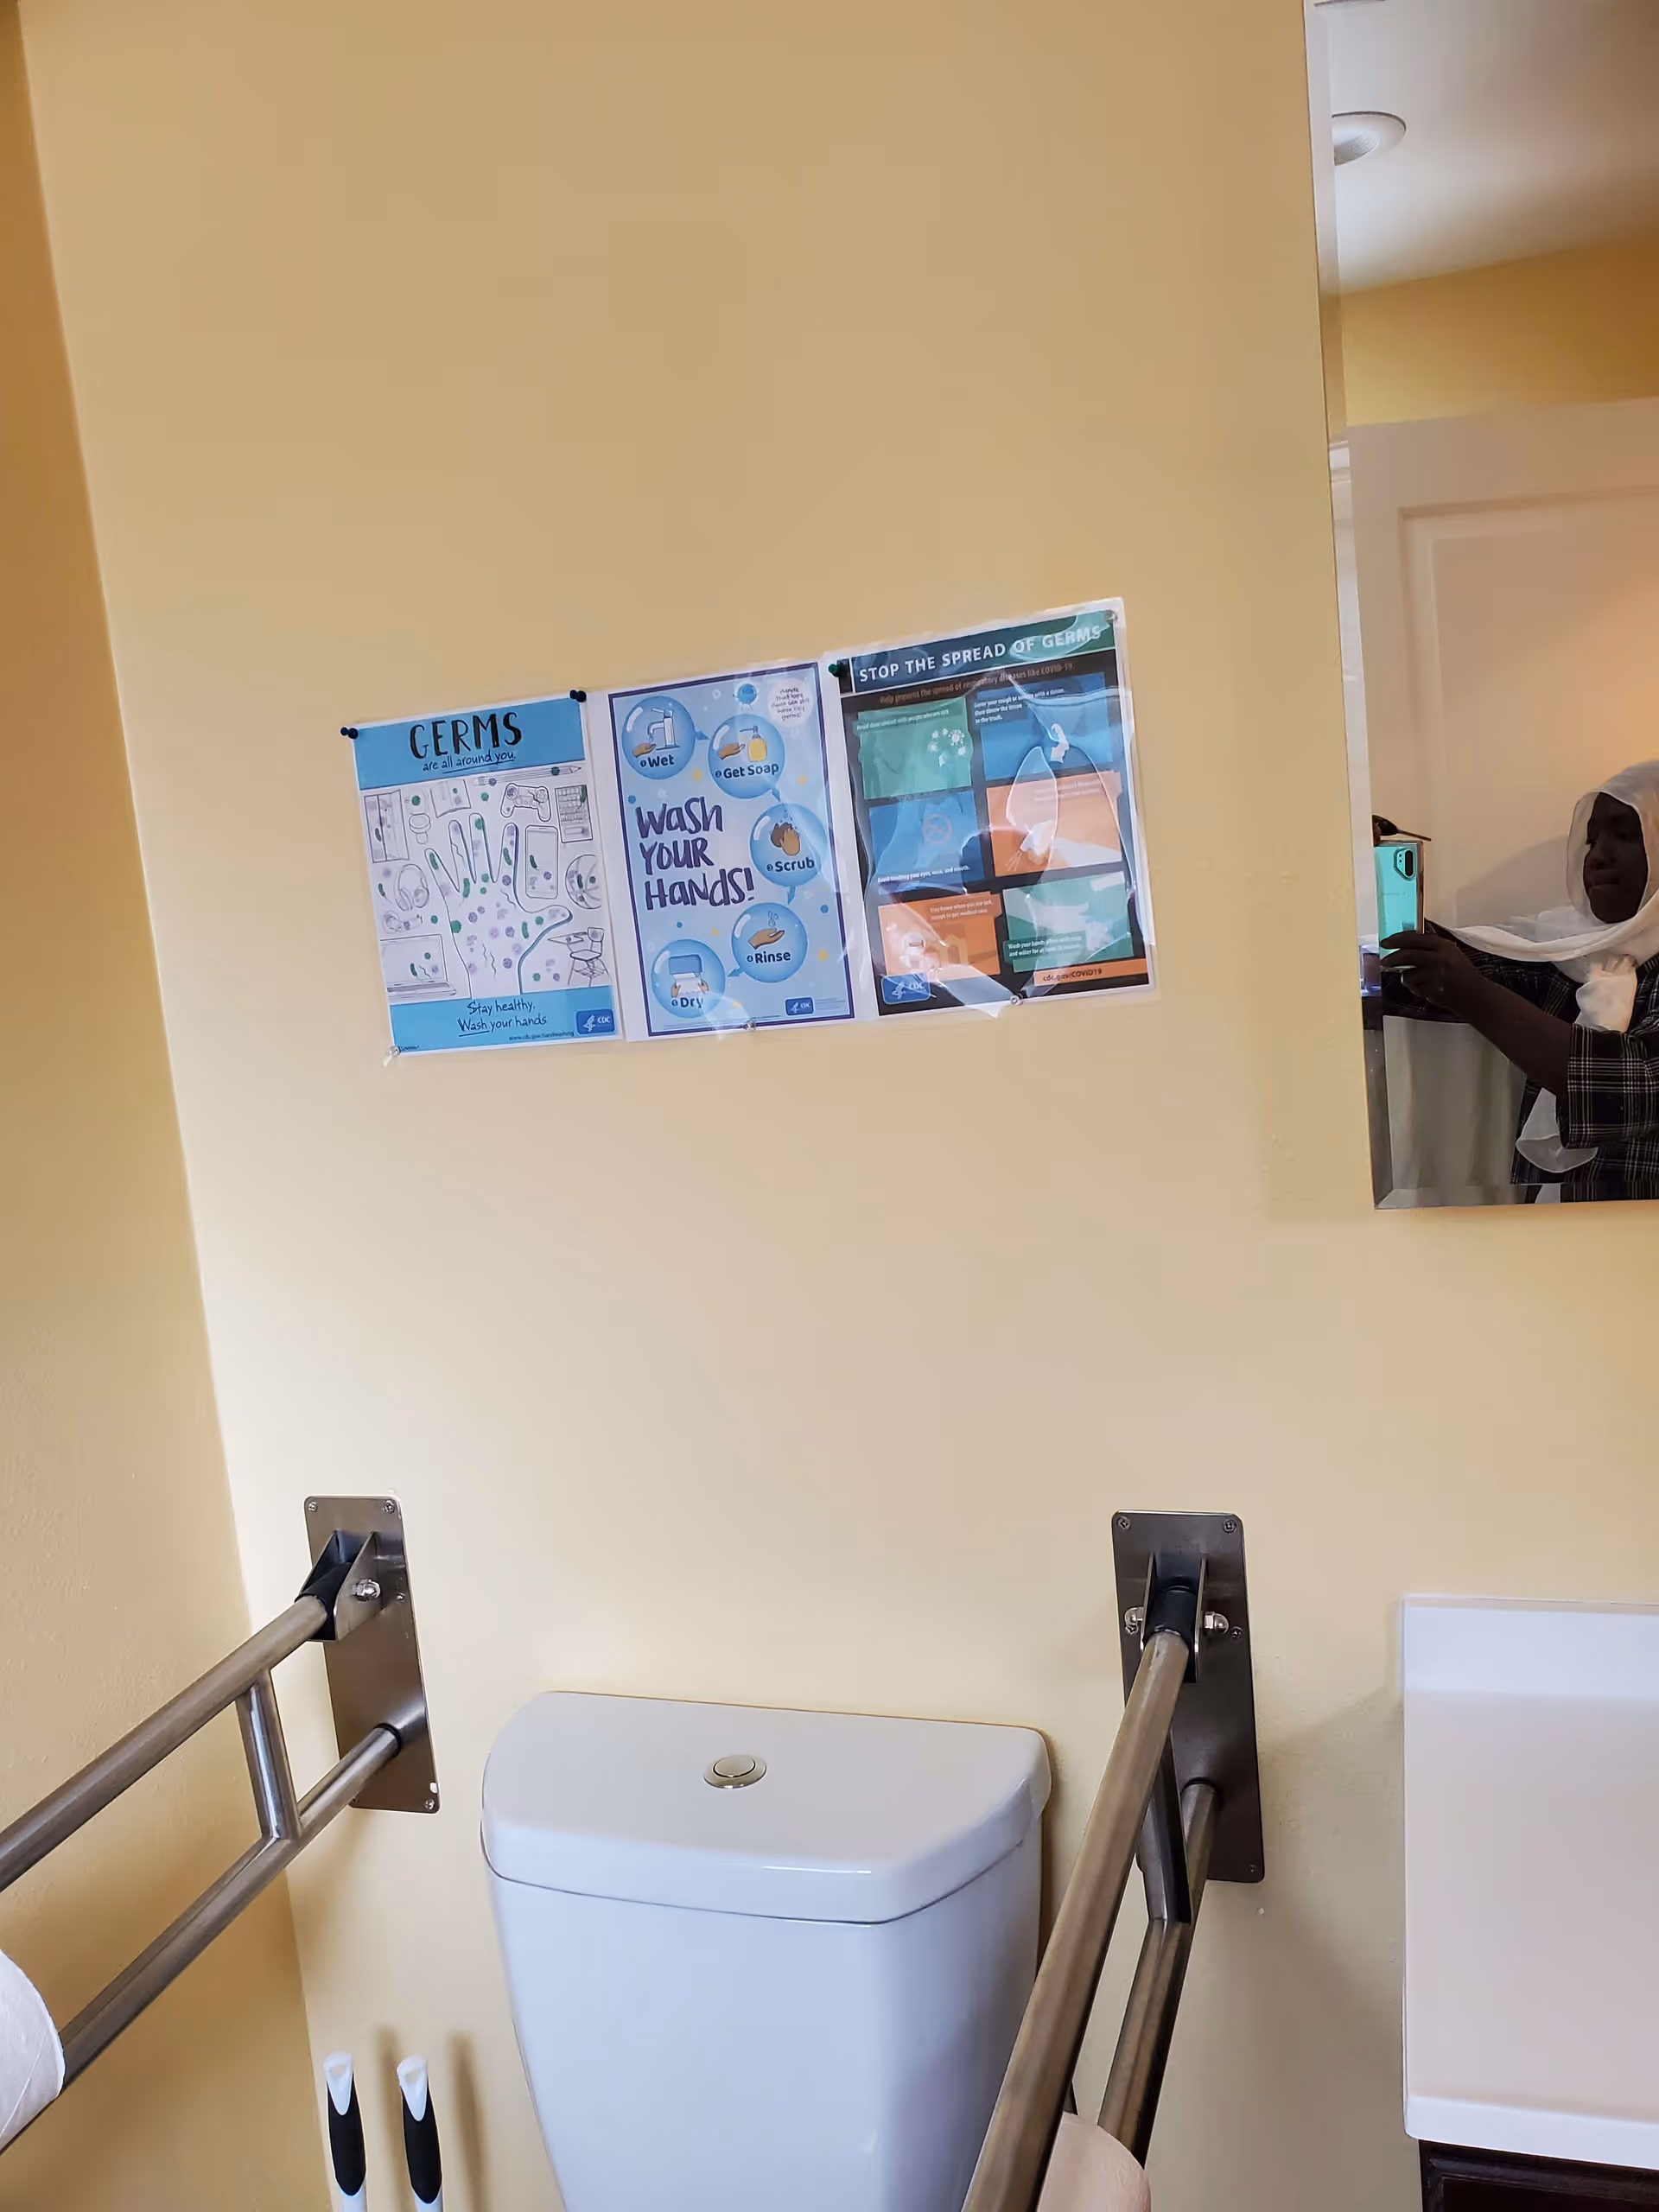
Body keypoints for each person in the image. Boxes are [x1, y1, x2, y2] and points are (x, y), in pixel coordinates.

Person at [1382, 762, 1659, 1202]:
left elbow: (1634, 1082)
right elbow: (1420, 974)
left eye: (1627, 835)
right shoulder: (1567, 953)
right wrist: (1362, 880)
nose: (1598, 855)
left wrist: (1473, 995)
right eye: (1591, 839)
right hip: (1539, 1241)